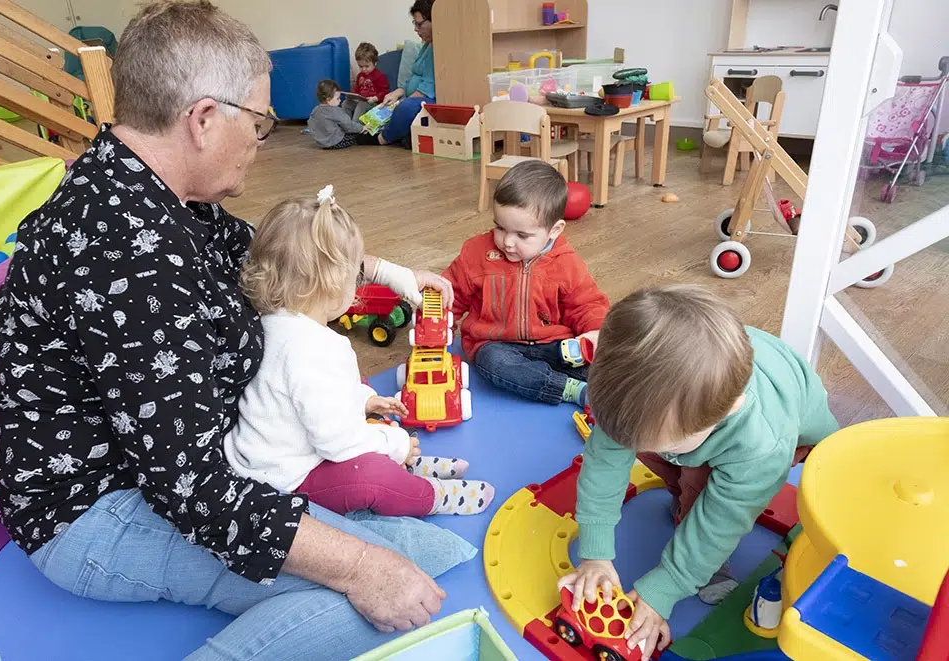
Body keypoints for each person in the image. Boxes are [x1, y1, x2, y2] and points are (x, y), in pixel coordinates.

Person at [0, 3, 461, 660]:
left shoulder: (161, 191)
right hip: (97, 512)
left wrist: (385, 270)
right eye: (261, 122)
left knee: (425, 558)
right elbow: (191, 489)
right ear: (204, 120)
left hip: (196, 469)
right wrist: (358, 568)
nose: (262, 142)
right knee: (378, 593)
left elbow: (267, 256)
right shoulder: (127, 252)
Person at [560, 285, 840, 658]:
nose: (649, 447)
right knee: (658, 454)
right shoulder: (631, 395)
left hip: (802, 439)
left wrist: (666, 587)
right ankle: (681, 477)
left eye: (668, 443)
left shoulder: (760, 443)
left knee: (704, 496)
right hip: (703, 408)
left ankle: (693, 519)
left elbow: (721, 520)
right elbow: (604, 463)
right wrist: (595, 553)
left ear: (722, 415)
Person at [224, 186, 493, 517]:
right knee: (371, 477)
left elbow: (302, 396)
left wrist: (363, 399)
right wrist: (392, 443)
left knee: (359, 390)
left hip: (266, 456)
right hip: (286, 480)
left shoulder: (272, 322)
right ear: (334, 284)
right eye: (355, 275)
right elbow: (339, 444)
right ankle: (429, 495)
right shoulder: (317, 349)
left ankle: (403, 462)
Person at [442, 161, 609, 406]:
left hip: (555, 345)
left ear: (554, 230)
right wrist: (437, 328)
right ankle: (569, 390)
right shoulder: (476, 254)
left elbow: (586, 304)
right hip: (497, 346)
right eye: (500, 227)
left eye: (522, 235)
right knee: (494, 364)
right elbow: (451, 293)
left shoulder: (566, 263)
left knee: (601, 366)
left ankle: (596, 386)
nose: (507, 242)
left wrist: (595, 331)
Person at [378, 0, 436, 146]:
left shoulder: (437, 49)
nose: (416, 29)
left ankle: (383, 138)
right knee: (385, 105)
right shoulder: (427, 45)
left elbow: (425, 91)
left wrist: (400, 102)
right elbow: (412, 80)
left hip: (426, 101)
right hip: (413, 97)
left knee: (405, 107)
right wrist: (396, 93)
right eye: (414, 24)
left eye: (419, 24)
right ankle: (403, 133)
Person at [308, 79, 377, 150]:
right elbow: (348, 125)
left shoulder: (315, 110)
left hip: (322, 143)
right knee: (360, 136)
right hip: (337, 142)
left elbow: (310, 124)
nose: (340, 100)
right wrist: (362, 128)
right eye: (337, 99)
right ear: (328, 100)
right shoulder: (335, 110)